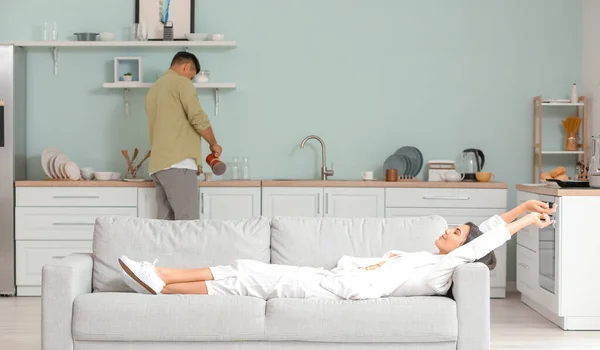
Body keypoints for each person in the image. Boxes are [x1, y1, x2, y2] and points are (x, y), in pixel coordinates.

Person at [118, 200, 556, 300]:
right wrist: (520, 208)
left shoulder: (444, 270)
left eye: (457, 232)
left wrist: (523, 222)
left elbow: (487, 240)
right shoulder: (430, 260)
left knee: (247, 275)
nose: (448, 232)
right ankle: (160, 280)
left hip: (340, 291)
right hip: (334, 280)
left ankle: (160, 279)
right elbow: (487, 234)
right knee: (243, 273)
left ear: (466, 247)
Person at [145, 51, 223, 220]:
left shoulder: (155, 89)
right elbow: (198, 118)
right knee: (188, 222)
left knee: (166, 224)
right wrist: (213, 143)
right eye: (191, 76)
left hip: (159, 166)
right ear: (187, 66)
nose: (190, 80)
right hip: (179, 163)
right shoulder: (181, 83)